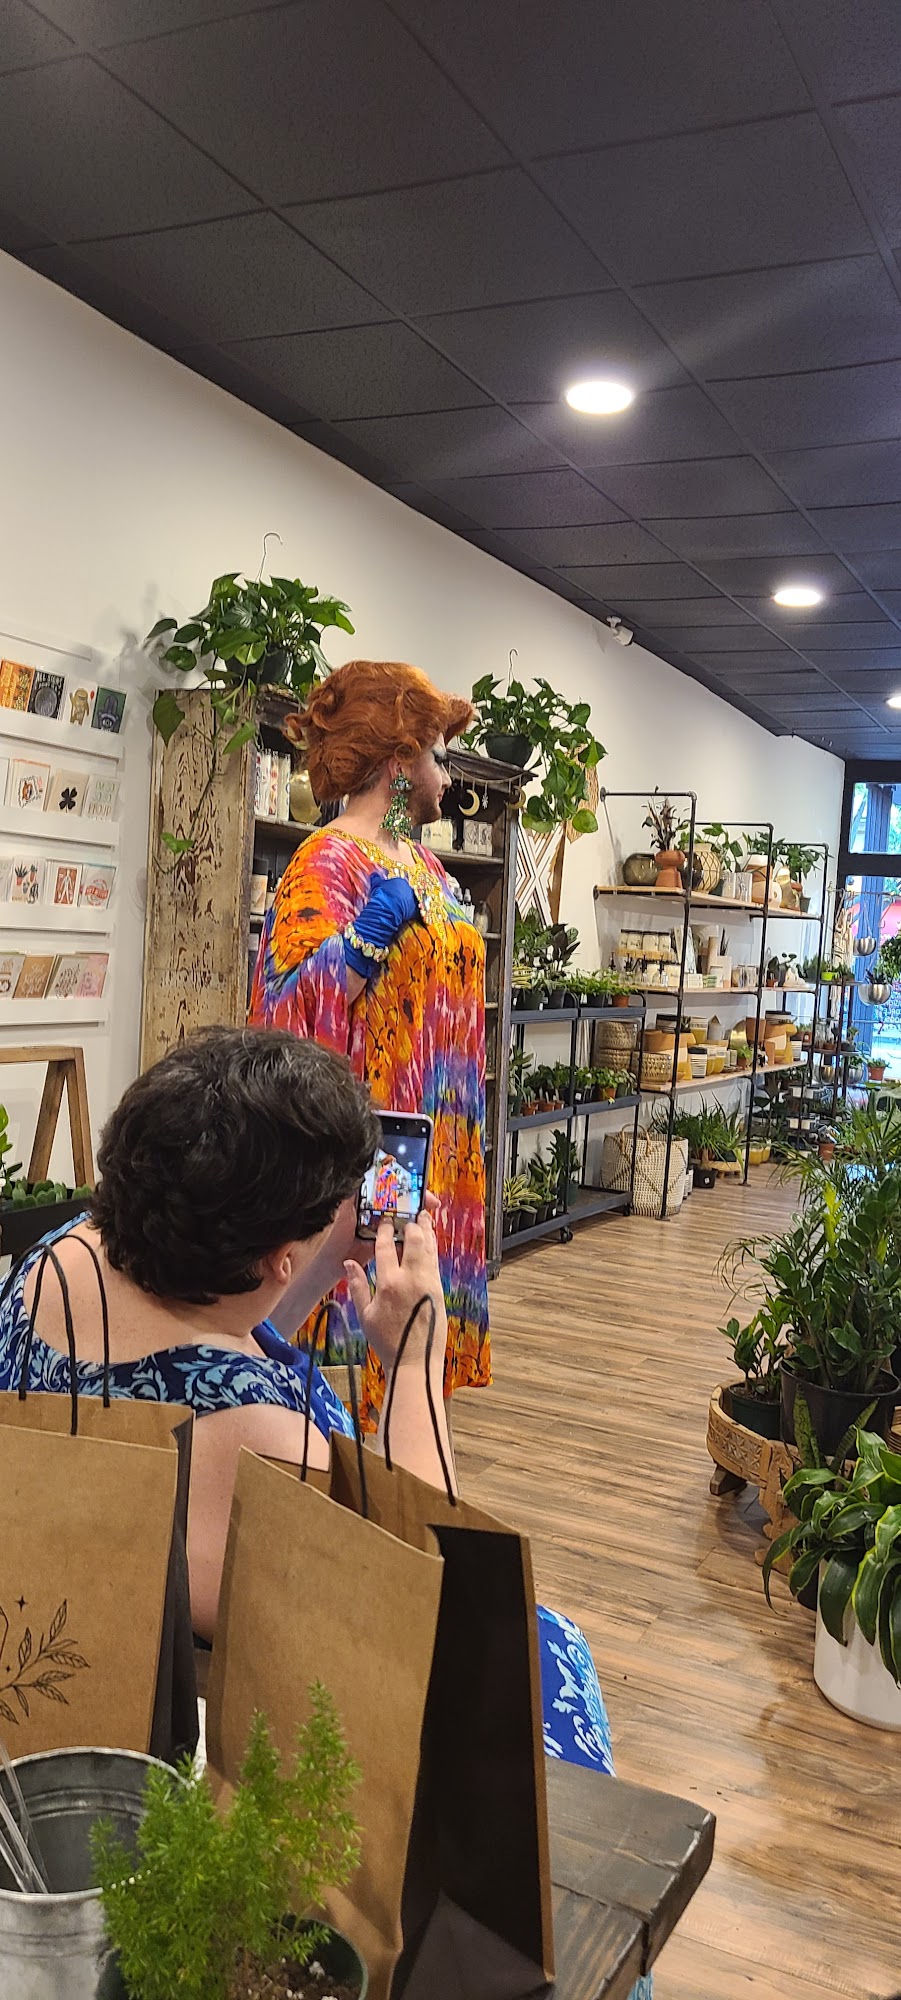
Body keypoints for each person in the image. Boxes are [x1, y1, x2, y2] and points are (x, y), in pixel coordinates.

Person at [0, 1034, 642, 1810]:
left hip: (61, 1610)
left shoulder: (62, 1255)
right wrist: (412, 1364)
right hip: (244, 1711)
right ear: (276, 1256)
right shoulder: (261, 1439)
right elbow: (419, 1590)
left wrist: (313, 1257)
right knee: (547, 1650)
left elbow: (220, 1329)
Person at [248, 658, 489, 1430]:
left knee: (410, 1338)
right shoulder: (327, 860)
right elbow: (283, 1009)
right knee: (350, 1340)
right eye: (437, 756)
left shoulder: (426, 865)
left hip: (435, 1140)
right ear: (398, 762)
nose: (446, 777)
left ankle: (403, 1462)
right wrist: (362, 940)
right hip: (370, 1149)